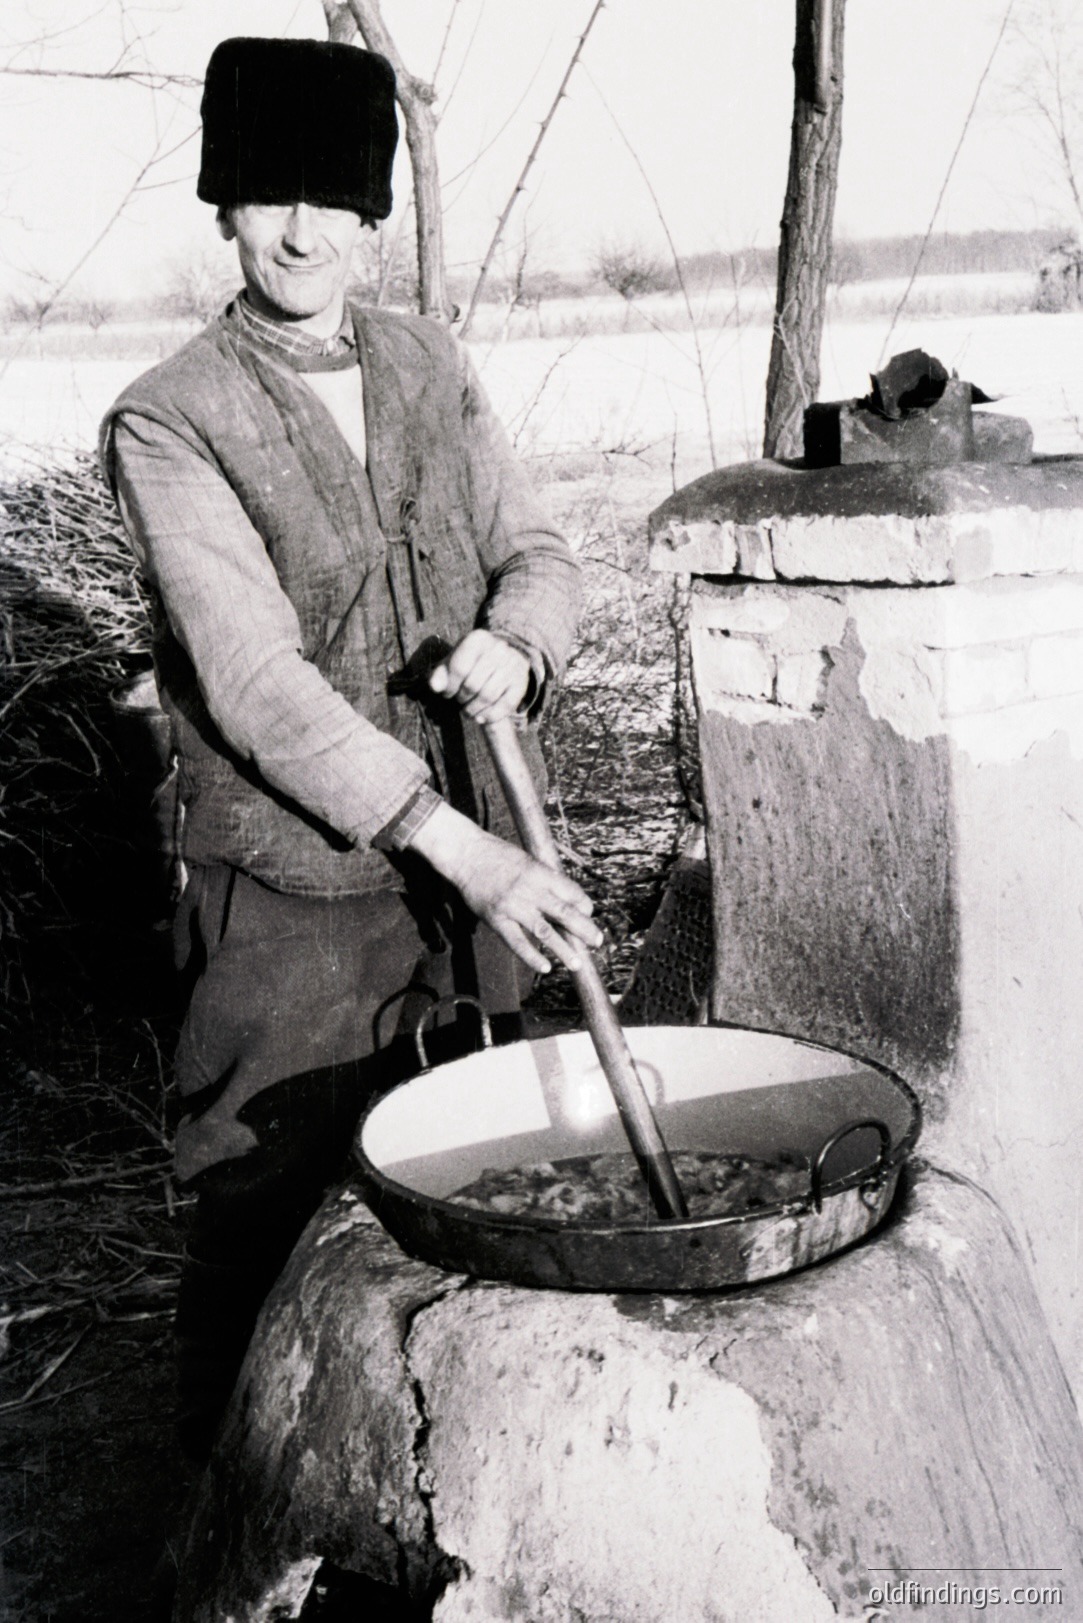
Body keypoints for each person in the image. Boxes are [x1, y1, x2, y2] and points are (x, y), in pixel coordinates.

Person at [99, 35, 600, 1464]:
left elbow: (542, 552)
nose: (303, 228)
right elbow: (253, 684)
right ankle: (222, 1546)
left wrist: (524, 639)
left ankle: (436, 1497)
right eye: (268, 194)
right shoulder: (169, 415)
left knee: (494, 1183)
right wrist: (464, 850)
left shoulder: (430, 362)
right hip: (290, 902)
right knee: (262, 1231)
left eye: (330, 195)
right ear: (224, 210)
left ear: (374, 211)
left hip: (474, 874)